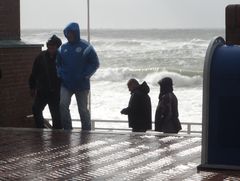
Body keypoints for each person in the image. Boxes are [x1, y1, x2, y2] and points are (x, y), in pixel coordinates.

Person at [56, 22, 100, 130]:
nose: (69, 35)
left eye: (71, 33)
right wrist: (60, 74)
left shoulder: (86, 47)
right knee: (62, 105)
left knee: (83, 109)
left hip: (81, 84)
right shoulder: (62, 48)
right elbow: (58, 64)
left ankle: (86, 130)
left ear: (76, 33)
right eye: (67, 33)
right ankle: (67, 129)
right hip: (66, 84)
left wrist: (85, 75)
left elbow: (95, 63)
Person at [29, 35, 62, 129]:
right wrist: (32, 87)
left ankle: (58, 136)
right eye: (49, 45)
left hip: (56, 92)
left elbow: (66, 73)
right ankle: (40, 129)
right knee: (36, 109)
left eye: (53, 45)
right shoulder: (41, 56)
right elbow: (34, 72)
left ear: (57, 46)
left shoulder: (61, 57)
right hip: (42, 91)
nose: (51, 47)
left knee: (56, 116)